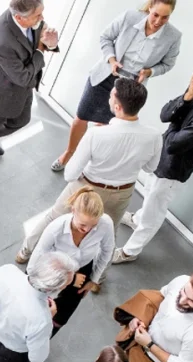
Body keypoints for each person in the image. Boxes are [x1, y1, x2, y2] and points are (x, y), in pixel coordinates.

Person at [17, 78, 159, 263]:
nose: (108, 99)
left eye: (111, 96)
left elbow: (70, 174)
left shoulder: (96, 134)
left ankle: (25, 252)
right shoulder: (154, 136)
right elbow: (150, 168)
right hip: (122, 194)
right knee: (110, 234)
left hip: (87, 187)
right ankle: (100, 274)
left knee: (53, 217)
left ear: (117, 107)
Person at [51, 0, 181, 171]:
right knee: (81, 116)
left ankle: (84, 160)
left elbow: (168, 64)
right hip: (105, 76)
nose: (158, 21)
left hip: (129, 89)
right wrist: (112, 59)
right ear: (150, 7)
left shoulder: (173, 36)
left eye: (165, 17)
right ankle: (69, 153)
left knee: (106, 127)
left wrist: (149, 72)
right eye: (155, 15)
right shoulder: (130, 17)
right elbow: (105, 37)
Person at [114, 58, 193, 263]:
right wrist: (187, 97)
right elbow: (165, 115)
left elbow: (175, 144)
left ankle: (130, 252)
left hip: (174, 168)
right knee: (149, 194)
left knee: (154, 211)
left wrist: (173, 126)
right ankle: (137, 219)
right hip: (161, 157)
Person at [0, 0, 60, 194]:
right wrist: (41, 51)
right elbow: (22, 76)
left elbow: (41, 39)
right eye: (38, 16)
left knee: (22, 120)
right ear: (19, 18)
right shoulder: (2, 40)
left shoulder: (30, 17)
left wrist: (51, 44)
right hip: (2, 92)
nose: (42, 19)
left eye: (42, 13)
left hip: (24, 87)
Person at [26, 188, 115, 335]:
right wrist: (71, 279)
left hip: (83, 268)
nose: (87, 229)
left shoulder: (106, 223)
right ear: (73, 210)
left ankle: (47, 336)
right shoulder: (56, 228)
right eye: (83, 224)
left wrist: (94, 279)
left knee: (63, 314)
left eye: (93, 225)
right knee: (36, 307)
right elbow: (33, 266)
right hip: (54, 269)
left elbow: (107, 251)